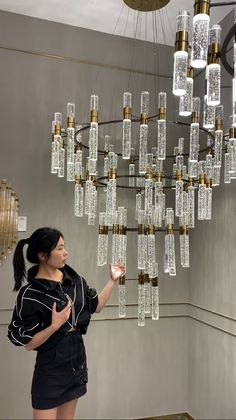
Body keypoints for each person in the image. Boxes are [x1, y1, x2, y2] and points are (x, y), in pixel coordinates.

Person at [8, 227, 125, 420]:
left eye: (65, 246)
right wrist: (54, 325)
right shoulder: (29, 294)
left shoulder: (75, 281)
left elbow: (96, 306)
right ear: (43, 255)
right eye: (60, 248)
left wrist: (112, 281)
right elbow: (28, 344)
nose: (66, 253)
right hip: (51, 368)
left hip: (76, 360)